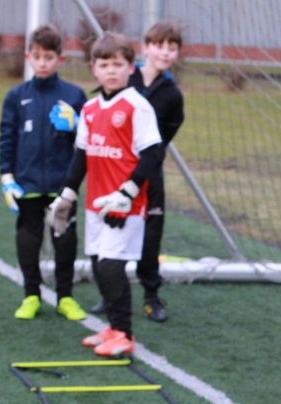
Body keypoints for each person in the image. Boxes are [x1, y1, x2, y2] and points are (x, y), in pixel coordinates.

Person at [46, 33, 163, 357]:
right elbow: (81, 155)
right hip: (94, 203)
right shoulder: (90, 108)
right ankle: (112, 326)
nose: (111, 71)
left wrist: (127, 192)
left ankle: (124, 333)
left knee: (111, 267)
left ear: (131, 68)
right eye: (104, 64)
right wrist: (67, 195)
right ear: (93, 69)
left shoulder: (138, 106)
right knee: (99, 265)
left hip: (126, 204)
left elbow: (152, 155)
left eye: (118, 64)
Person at [88, 22, 185, 323]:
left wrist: (139, 176)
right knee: (101, 231)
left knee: (151, 236)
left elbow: (158, 144)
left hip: (147, 178)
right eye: (159, 45)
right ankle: (108, 294)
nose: (165, 53)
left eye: (172, 48)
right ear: (145, 47)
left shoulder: (172, 95)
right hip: (111, 175)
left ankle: (151, 296)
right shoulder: (125, 78)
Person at [0, 24, 88, 322]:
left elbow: (88, 143)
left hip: (63, 186)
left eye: (49, 57)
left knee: (64, 241)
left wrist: (76, 126)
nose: (43, 63)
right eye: (37, 57)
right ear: (28, 57)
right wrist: (7, 177)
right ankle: (31, 295)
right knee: (28, 240)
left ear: (60, 59)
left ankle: (65, 297)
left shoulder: (74, 96)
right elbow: (7, 138)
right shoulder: (16, 96)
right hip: (28, 184)